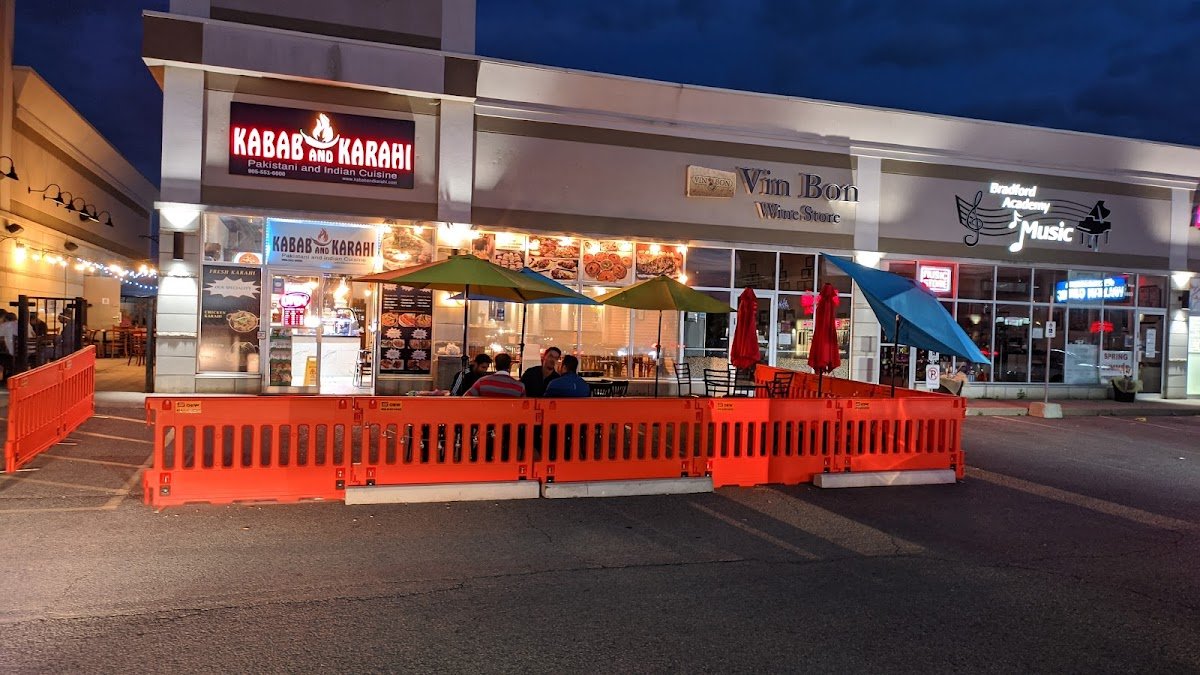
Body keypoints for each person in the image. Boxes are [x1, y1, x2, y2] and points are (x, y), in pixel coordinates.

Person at [0, 311, 16, 381]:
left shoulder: (5, 326)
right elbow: (34, 335)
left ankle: (8, 373)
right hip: (28, 352)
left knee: (2, 355)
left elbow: (2, 337)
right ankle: (10, 373)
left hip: (12, 353)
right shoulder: (27, 325)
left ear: (6, 319)